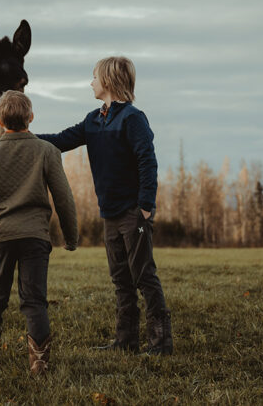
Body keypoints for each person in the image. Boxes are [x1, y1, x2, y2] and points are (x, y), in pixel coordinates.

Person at [37, 56, 173, 355]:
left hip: (133, 213)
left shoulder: (133, 119)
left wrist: (146, 207)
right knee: (120, 278)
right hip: (109, 213)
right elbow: (59, 140)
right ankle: (126, 341)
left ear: (108, 82)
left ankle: (161, 344)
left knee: (144, 275)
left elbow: (147, 162)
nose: (91, 82)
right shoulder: (93, 120)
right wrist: (23, 137)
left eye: (94, 77)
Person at [0, 90, 79, 375]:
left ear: (0, 120)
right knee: (34, 299)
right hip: (35, 237)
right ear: (31, 118)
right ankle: (39, 363)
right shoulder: (47, 151)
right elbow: (64, 198)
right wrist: (71, 237)